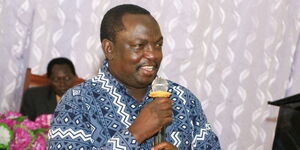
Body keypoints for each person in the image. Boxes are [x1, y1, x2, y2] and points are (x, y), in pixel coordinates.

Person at [48, 4, 220, 150]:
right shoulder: (77, 102)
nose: (153, 55)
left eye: (158, 44)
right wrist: (135, 134)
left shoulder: (183, 99)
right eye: (139, 46)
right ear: (109, 49)